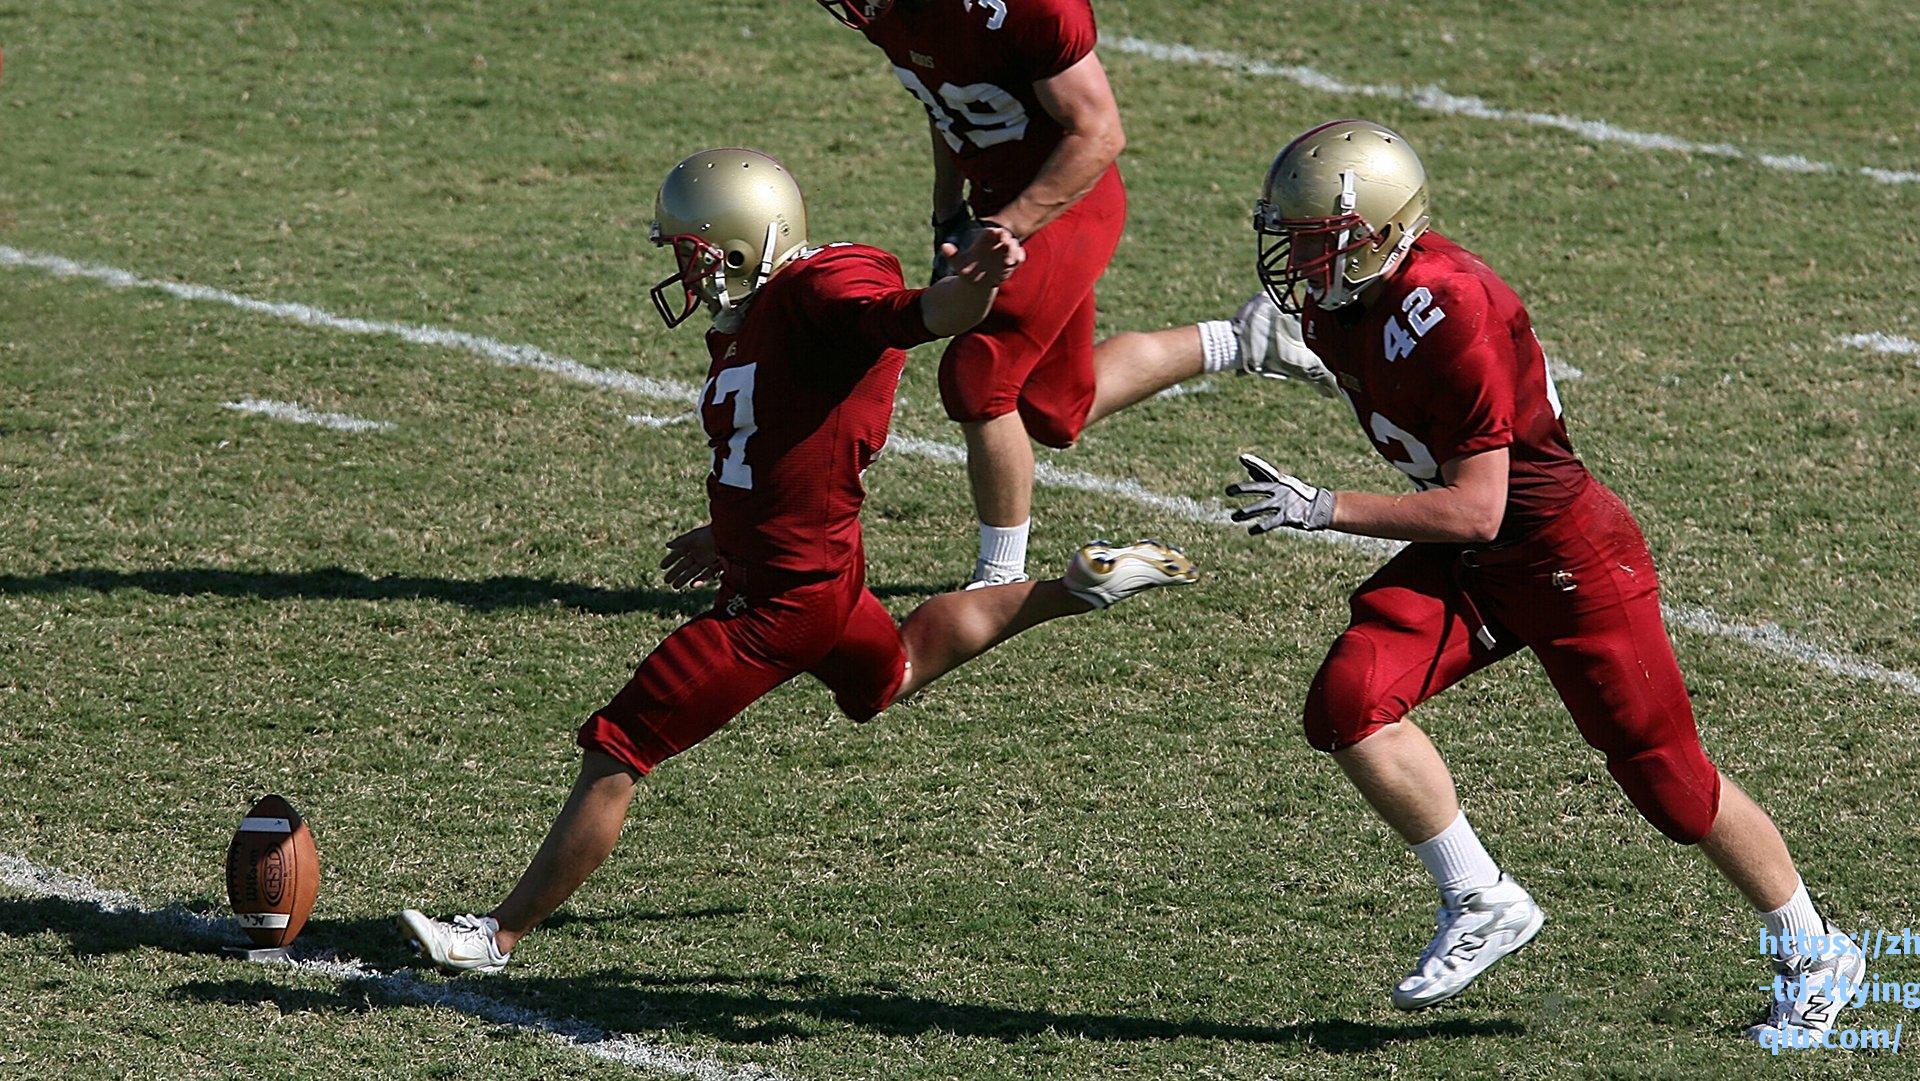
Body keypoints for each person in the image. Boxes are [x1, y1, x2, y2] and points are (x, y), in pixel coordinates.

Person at [398, 148, 1197, 972]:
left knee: (621, 744)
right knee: (891, 674)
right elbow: (787, 434)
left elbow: (917, 314)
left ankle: (494, 935)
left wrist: (975, 286)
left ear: (747, 243)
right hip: (823, 575)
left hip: (776, 607)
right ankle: (1077, 587)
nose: (684, 268)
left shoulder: (822, 291)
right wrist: (731, 528)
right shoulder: (766, 313)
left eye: (694, 251)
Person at [1223, 120, 1859, 1044]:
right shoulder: (1338, 302)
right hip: (1481, 561)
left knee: (1669, 782)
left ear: (1378, 232)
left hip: (1561, 552)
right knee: (1350, 701)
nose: (1299, 256)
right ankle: (1481, 896)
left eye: (1318, 237)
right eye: (1295, 234)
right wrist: (1226, 341)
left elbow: (1477, 506)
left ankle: (1815, 945)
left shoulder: (1458, 308)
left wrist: (1324, 506)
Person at [817, 0, 1322, 588]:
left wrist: (1009, 224)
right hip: (998, 207)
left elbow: (1099, 132)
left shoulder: (1025, 10)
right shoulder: (894, 14)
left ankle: (1000, 576)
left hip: (1067, 206)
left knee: (977, 375)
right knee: (1058, 410)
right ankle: (1249, 339)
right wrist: (949, 210)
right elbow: (948, 106)